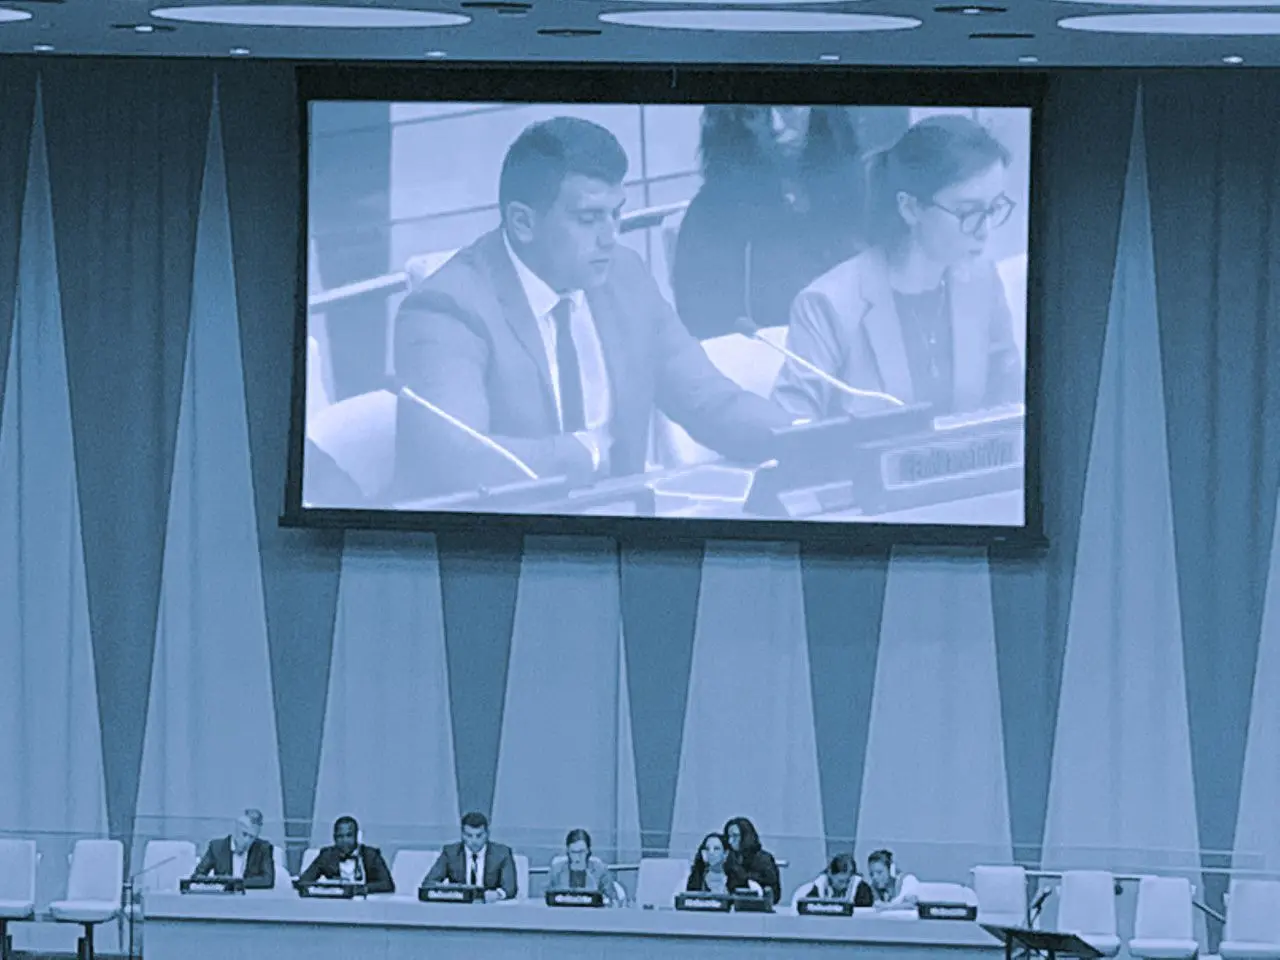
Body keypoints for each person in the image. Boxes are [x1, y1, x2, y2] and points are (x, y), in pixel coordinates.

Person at [392, 116, 793, 501]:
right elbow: (454, 459)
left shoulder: (624, 276)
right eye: (589, 218)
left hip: (623, 530)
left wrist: (803, 438)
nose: (610, 236)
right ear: (522, 223)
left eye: (616, 214)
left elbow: (708, 400)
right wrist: (584, 454)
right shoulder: (447, 308)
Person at [773, 115, 1024, 422]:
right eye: (968, 212)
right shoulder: (829, 304)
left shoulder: (982, 282)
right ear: (910, 208)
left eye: (993, 208)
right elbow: (793, 432)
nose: (984, 230)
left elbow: (1012, 408)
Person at [672, 106, 865, 339]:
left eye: (788, 107)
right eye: (755, 114)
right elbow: (701, 316)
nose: (777, 124)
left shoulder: (856, 194)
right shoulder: (711, 211)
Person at [422, 811, 517, 902]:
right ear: (462, 835)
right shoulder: (450, 853)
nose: (474, 841)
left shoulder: (502, 853)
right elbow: (428, 883)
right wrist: (451, 890)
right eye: (469, 835)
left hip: (489, 908)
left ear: (487, 834)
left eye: (479, 836)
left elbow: (510, 888)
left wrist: (497, 894)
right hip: (458, 909)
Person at [297, 816, 394, 893]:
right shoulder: (327, 855)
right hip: (335, 907)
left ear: (356, 836)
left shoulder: (371, 855)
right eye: (340, 836)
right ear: (334, 838)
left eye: (349, 835)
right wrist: (326, 888)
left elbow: (387, 884)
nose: (344, 841)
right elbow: (304, 881)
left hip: (366, 908)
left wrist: (361, 889)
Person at [191, 808, 275, 889]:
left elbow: (268, 880)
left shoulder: (264, 848)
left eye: (252, 837)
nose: (247, 841)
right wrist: (218, 881)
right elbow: (197, 876)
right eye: (244, 834)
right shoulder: (216, 847)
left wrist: (235, 883)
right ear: (236, 830)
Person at [546, 828, 622, 905]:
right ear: (567, 852)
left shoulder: (599, 869)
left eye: (581, 852)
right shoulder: (557, 869)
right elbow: (544, 897)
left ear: (588, 851)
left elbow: (612, 899)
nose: (577, 857)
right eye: (573, 852)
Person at [724, 817, 781, 903]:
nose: (730, 841)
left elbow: (774, 891)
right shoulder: (729, 857)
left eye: (735, 836)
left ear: (746, 836)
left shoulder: (764, 859)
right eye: (729, 836)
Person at [791, 852, 874, 908]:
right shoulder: (812, 891)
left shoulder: (862, 889)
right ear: (830, 874)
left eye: (847, 882)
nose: (844, 886)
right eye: (840, 881)